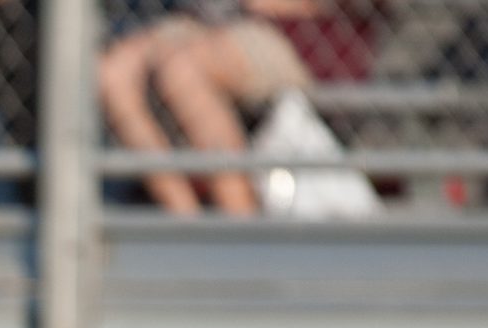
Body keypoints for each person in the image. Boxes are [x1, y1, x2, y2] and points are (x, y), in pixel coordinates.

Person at [97, 0, 377, 216]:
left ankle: (239, 220)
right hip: (207, 21)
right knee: (112, 74)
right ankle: (184, 217)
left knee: (181, 70)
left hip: (291, 32)